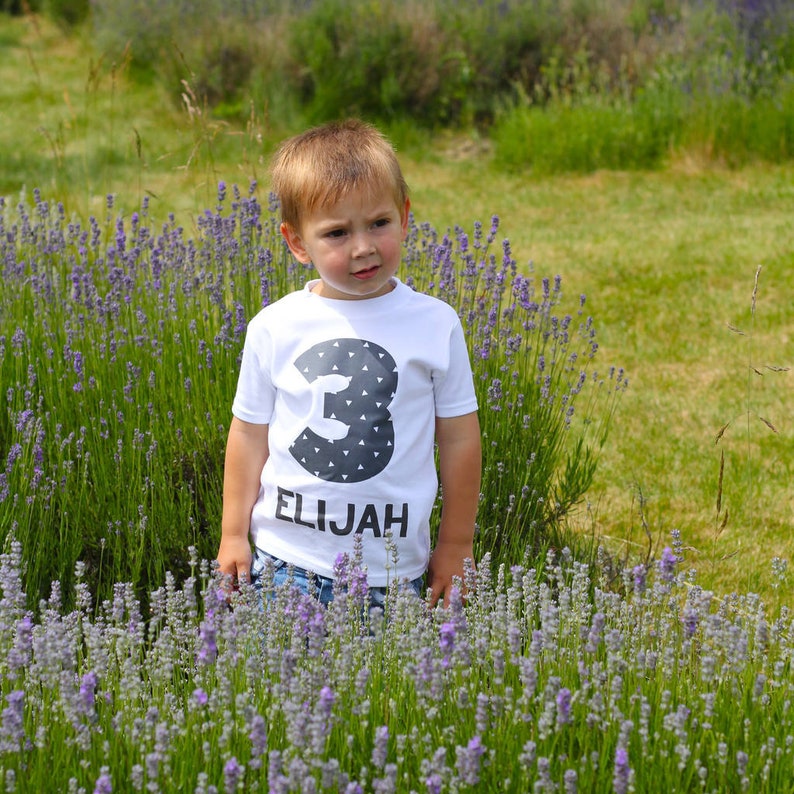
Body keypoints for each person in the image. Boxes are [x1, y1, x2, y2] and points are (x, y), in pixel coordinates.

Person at [216, 119, 481, 608]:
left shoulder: (435, 325)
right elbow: (249, 434)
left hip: (393, 573)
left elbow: (461, 438)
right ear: (297, 243)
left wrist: (456, 544)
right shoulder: (276, 327)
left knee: (386, 686)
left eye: (379, 223)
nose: (363, 247)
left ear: (404, 216)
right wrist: (234, 532)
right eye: (336, 233)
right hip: (287, 564)